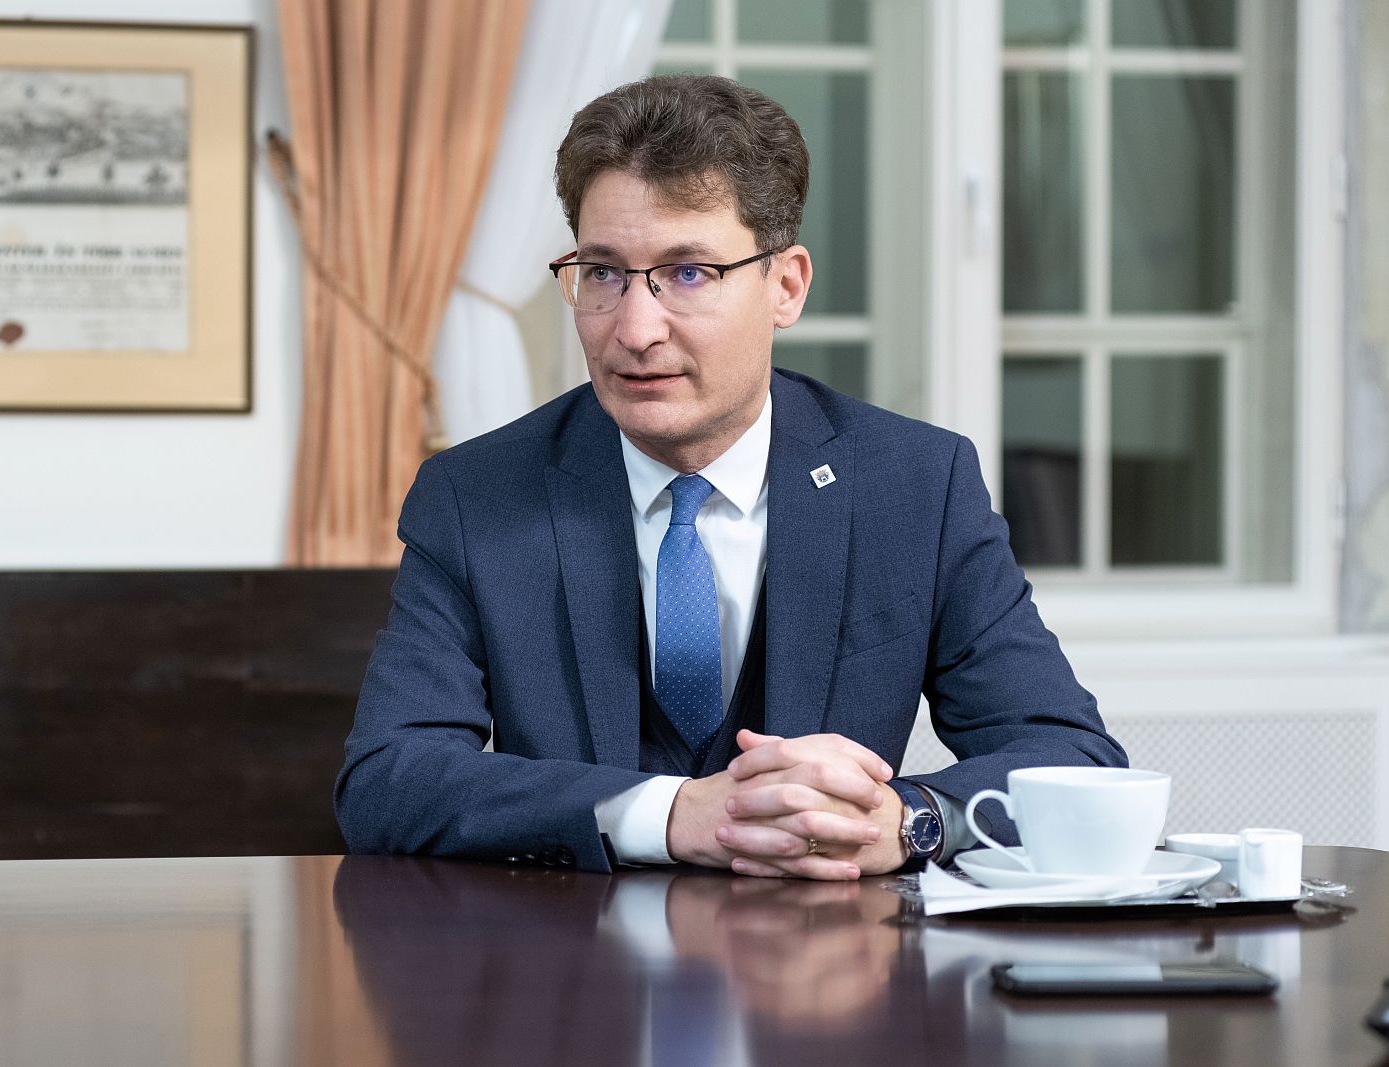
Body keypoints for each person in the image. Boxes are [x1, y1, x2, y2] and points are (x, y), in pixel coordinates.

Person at [335, 73, 1125, 880]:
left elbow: (1075, 759)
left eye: (688, 273)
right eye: (603, 273)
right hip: (574, 952)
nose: (635, 330)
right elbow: (386, 781)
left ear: (786, 287)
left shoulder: (916, 486)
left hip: (833, 949)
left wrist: (911, 820)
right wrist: (668, 813)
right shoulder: (474, 497)